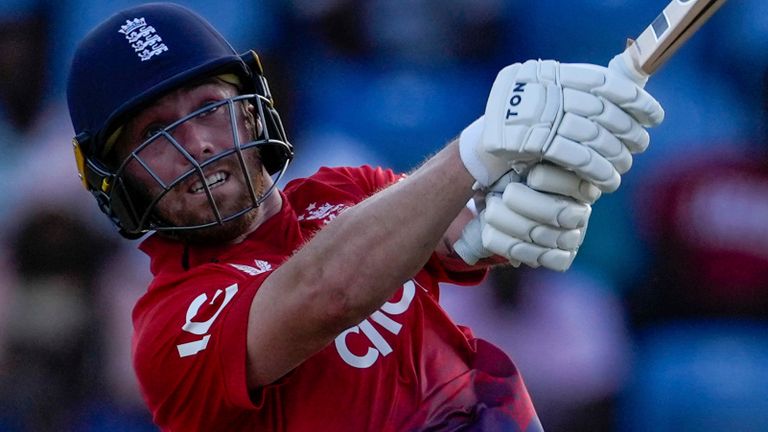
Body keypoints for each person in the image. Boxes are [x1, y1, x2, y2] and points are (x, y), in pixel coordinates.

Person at [65, 3, 662, 431]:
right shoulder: (171, 327)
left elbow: (466, 230)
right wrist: (478, 149)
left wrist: (539, 174)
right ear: (118, 178)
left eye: (209, 108)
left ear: (252, 113)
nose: (197, 143)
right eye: (156, 134)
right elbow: (327, 291)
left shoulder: (346, 190)